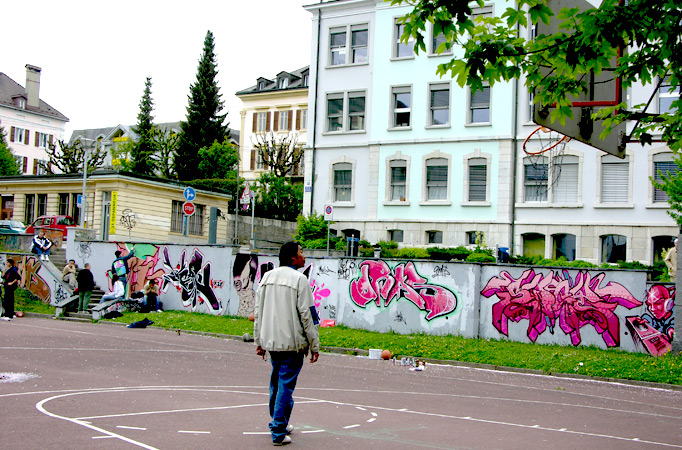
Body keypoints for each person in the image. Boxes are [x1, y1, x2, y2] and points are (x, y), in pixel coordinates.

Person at [253, 242, 320, 446]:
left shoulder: (266, 277)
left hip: (272, 341)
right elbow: (308, 315)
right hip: (292, 343)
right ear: (292, 257)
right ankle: (278, 430)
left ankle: (279, 421)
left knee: (277, 382)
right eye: (301, 252)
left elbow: (258, 311)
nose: (304, 256)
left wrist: (259, 340)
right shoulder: (300, 280)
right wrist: (314, 344)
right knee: (285, 386)